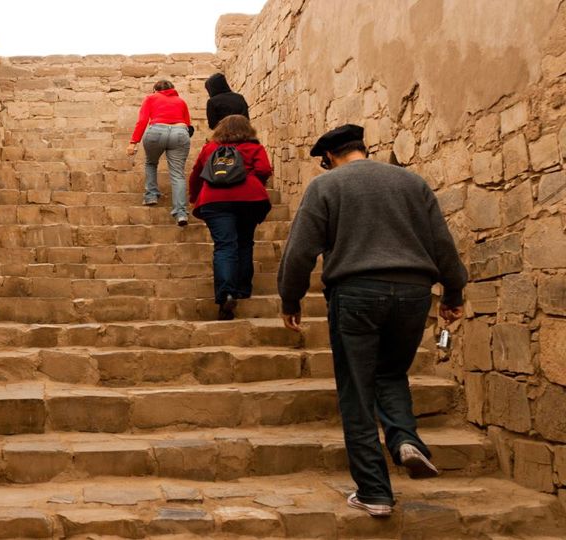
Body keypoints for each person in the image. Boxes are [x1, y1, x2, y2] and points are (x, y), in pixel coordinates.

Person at [277, 124, 468, 518]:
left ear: (328, 157)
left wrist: (290, 298)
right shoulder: (412, 183)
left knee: (357, 391)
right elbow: (442, 244)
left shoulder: (326, 187)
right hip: (414, 293)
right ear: (364, 148)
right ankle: (404, 440)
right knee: (392, 373)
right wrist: (453, 293)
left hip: (356, 293)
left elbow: (300, 251)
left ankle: (375, 491)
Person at [188, 115, 272, 320]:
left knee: (225, 246)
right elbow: (264, 169)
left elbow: (196, 173)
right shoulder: (254, 147)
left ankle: (226, 293)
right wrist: (253, 181)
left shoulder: (210, 148)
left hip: (215, 201)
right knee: (244, 242)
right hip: (249, 199)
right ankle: (242, 289)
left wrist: (194, 196)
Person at [127, 80, 192, 226]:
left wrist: (133, 142)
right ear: (172, 89)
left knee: (151, 163)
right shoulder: (181, 101)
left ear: (155, 90)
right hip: (180, 132)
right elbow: (188, 124)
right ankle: (181, 213)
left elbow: (142, 120)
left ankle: (151, 196)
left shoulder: (151, 98)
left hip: (157, 131)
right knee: (177, 174)